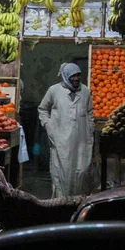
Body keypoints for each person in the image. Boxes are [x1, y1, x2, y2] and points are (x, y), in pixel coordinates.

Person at [37, 62, 94, 198]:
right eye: (72, 76)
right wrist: (48, 125)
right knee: (63, 171)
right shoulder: (54, 90)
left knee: (82, 171)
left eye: (78, 76)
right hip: (61, 139)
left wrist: (90, 128)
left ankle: (79, 203)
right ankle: (61, 203)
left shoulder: (85, 91)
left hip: (81, 139)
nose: (76, 79)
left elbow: (90, 112)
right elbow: (43, 109)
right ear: (65, 76)